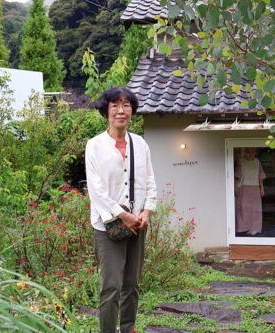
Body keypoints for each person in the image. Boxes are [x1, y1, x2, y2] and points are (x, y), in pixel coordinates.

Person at [85, 86, 157, 333]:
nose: (121, 111)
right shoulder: (94, 146)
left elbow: (149, 182)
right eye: (115, 105)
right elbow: (96, 190)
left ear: (132, 111)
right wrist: (122, 215)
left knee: (132, 284)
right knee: (111, 286)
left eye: (126, 105)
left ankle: (127, 328)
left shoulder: (140, 143)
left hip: (138, 223)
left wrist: (146, 212)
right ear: (106, 111)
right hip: (108, 226)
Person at [235, 147, 266, 236]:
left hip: (255, 187)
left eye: (253, 152)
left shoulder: (257, 161)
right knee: (244, 209)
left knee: (256, 209)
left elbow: (260, 175)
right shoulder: (241, 161)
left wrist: (262, 188)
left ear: (255, 152)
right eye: (248, 152)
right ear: (245, 152)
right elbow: (237, 176)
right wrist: (236, 187)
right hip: (244, 187)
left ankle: (255, 228)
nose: (251, 154)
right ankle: (245, 227)